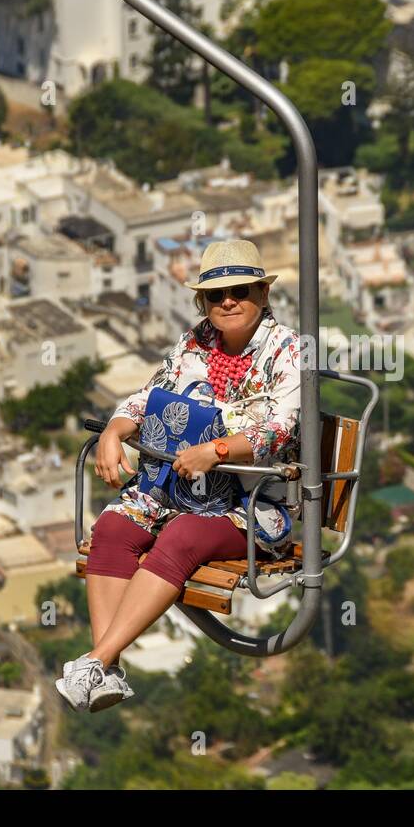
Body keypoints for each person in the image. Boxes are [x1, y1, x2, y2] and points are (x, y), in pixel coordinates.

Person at [56, 239, 301, 713]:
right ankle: (104, 672)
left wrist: (217, 450)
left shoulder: (286, 351)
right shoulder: (196, 343)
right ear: (202, 303)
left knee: (183, 536)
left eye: (241, 290)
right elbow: (149, 397)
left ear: (263, 294)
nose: (228, 302)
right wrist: (114, 430)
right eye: (216, 295)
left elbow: (279, 429)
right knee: (112, 529)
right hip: (176, 489)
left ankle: (97, 660)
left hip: (251, 503)